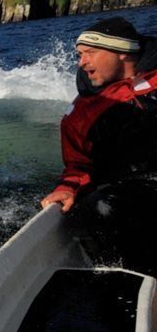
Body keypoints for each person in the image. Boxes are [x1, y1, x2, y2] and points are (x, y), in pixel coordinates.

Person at [40, 16, 157, 274]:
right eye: (80, 55)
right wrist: (67, 188)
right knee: (98, 209)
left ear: (123, 53)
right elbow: (78, 166)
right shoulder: (81, 114)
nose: (82, 62)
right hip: (133, 191)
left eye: (90, 53)